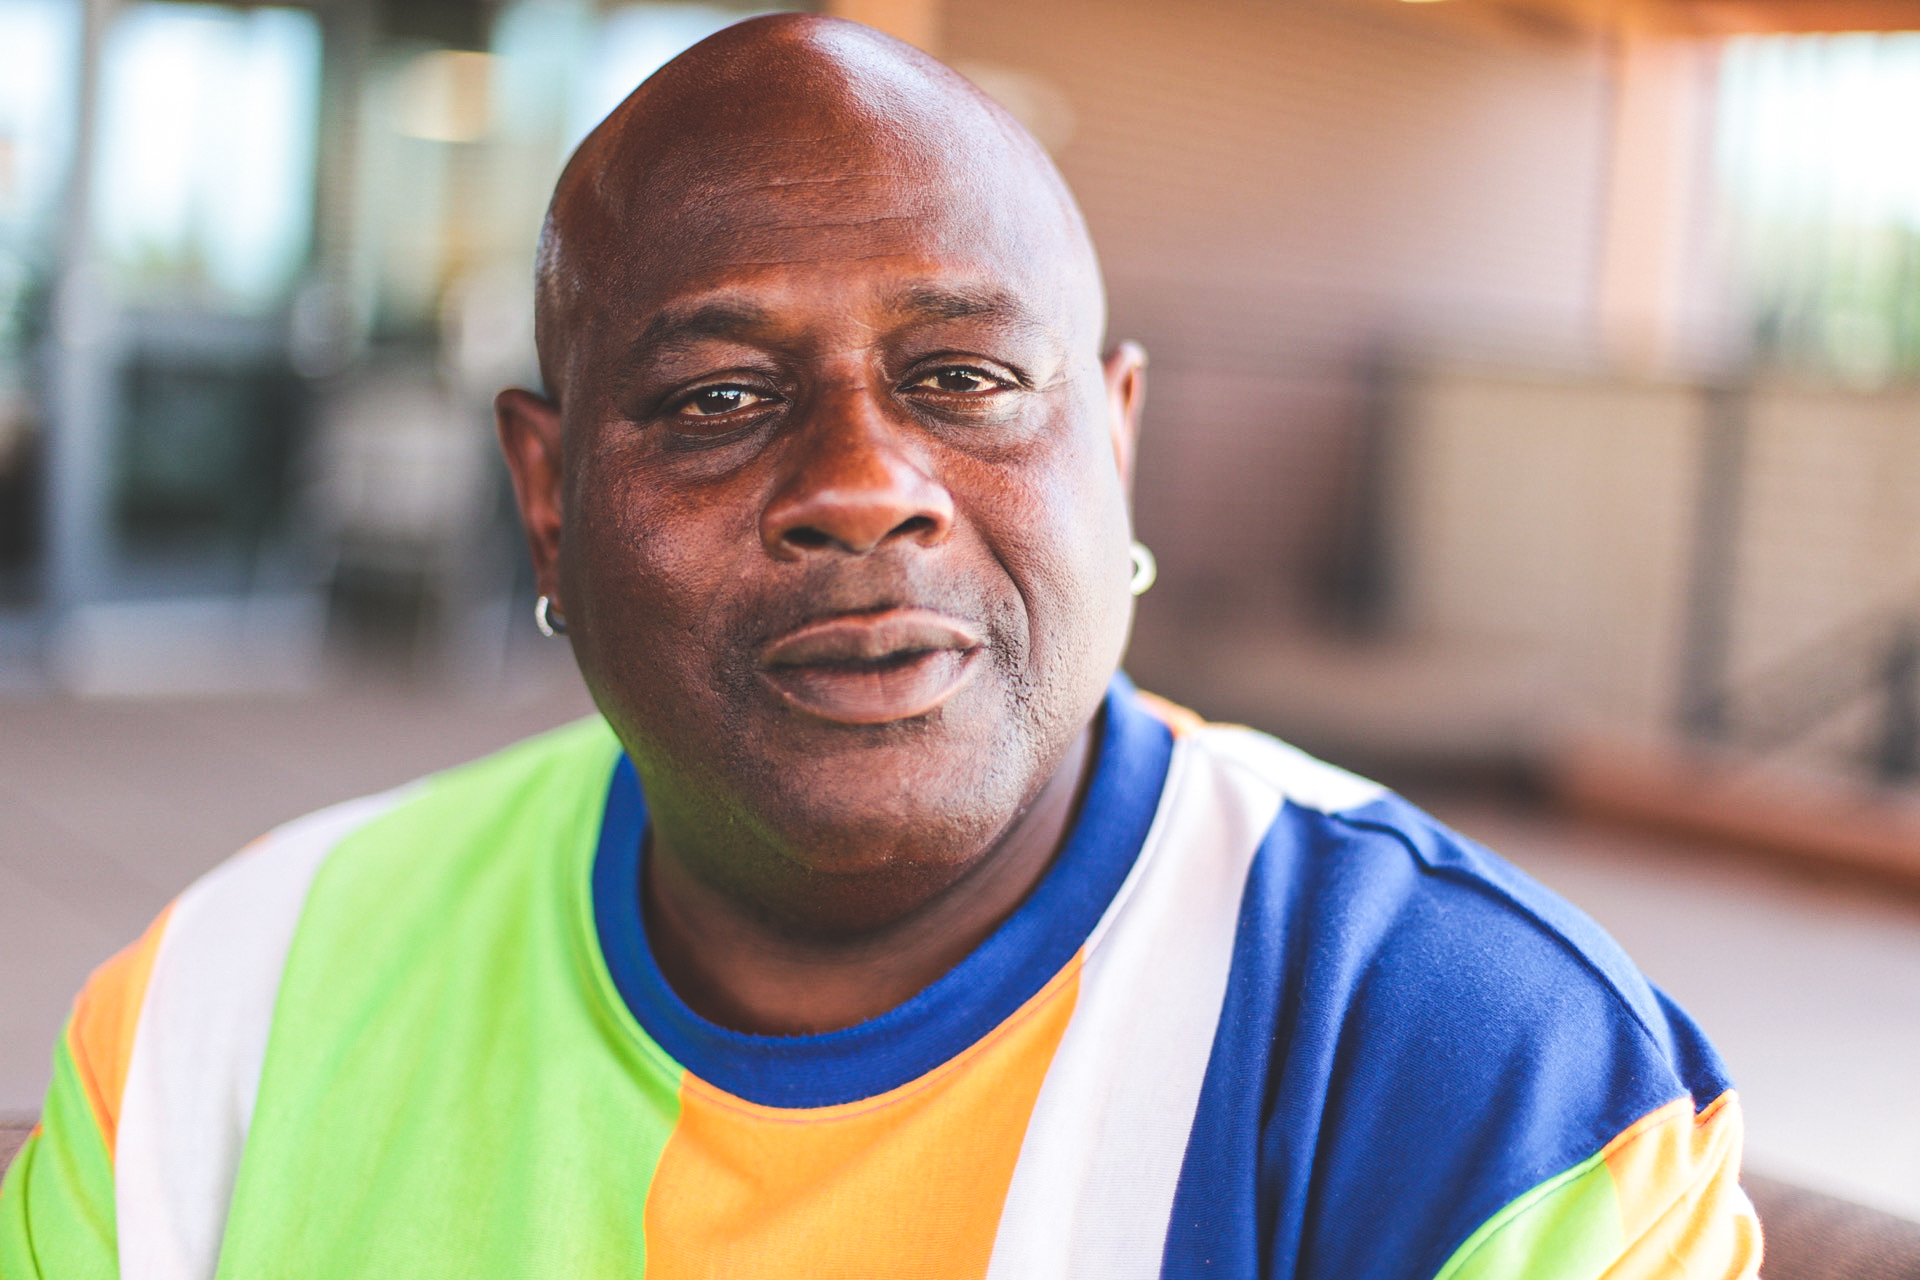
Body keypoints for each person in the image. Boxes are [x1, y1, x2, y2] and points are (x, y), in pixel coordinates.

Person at [1, 15, 1760, 1279]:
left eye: (967, 381)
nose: (861, 487)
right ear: (546, 497)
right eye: (715, 398)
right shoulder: (220, 1013)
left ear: (1117, 443)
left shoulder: (1508, 1086)